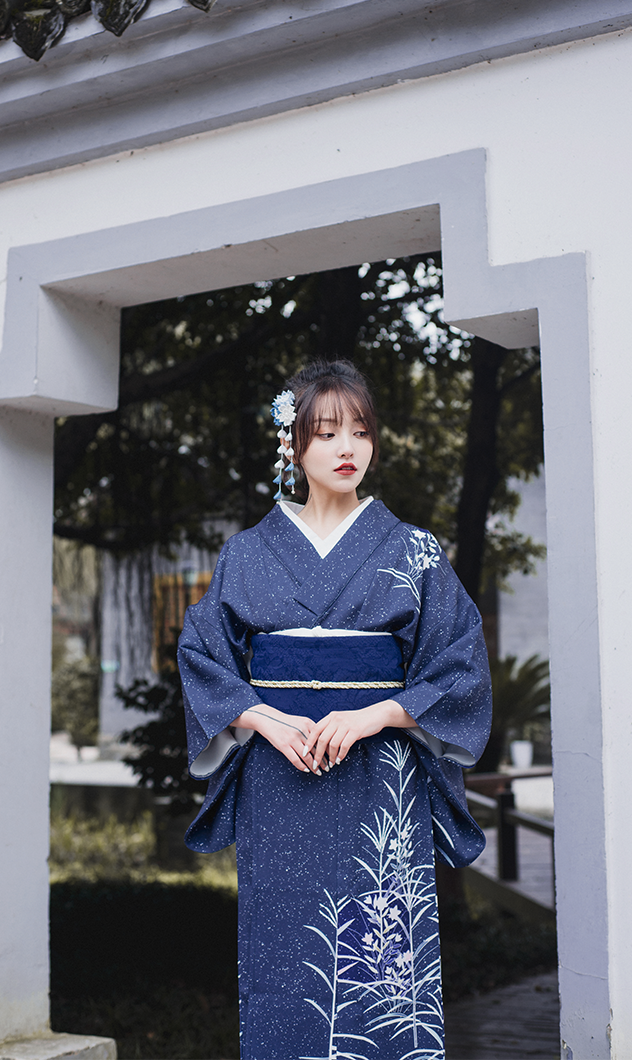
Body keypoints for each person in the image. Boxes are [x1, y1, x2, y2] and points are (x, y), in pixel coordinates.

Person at [178, 359, 491, 1060]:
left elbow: (460, 663)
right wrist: (261, 717)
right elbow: (203, 655)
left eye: (360, 430)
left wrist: (376, 715)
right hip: (279, 778)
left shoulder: (412, 550)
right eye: (326, 433)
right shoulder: (246, 553)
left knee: (383, 958)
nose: (347, 448)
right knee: (285, 952)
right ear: (293, 445)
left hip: (380, 780)